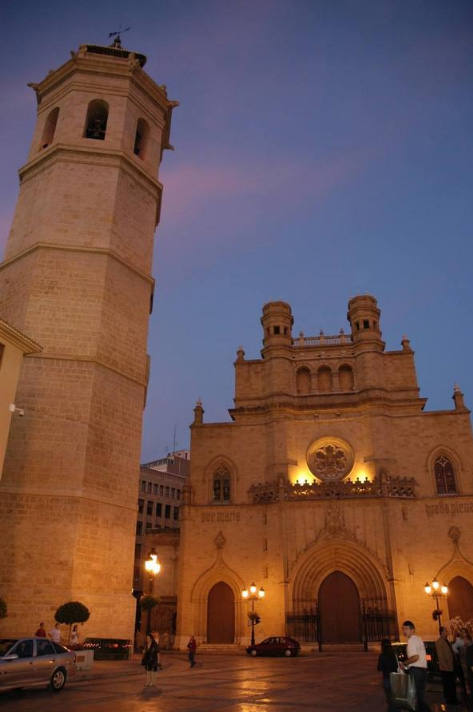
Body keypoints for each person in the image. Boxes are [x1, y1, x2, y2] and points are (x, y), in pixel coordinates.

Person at [399, 620, 431, 712]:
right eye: (403, 629)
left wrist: (404, 663)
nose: (404, 631)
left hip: (416, 671)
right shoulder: (418, 639)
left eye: (406, 628)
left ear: (412, 630)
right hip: (423, 671)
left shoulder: (411, 640)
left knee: (414, 698)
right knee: (420, 697)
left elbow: (415, 657)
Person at [435, 626, 458, 705]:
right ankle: (450, 700)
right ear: (441, 632)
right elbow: (441, 657)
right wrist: (447, 667)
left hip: (450, 666)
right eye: (446, 631)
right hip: (446, 668)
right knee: (448, 685)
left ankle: (453, 699)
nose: (447, 632)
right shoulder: (439, 642)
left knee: (452, 684)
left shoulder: (446, 640)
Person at [377, 638, 398, 709]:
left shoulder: (382, 655)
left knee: (389, 698)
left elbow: (379, 668)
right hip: (395, 678)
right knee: (395, 697)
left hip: (387, 678)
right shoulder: (394, 654)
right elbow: (396, 665)